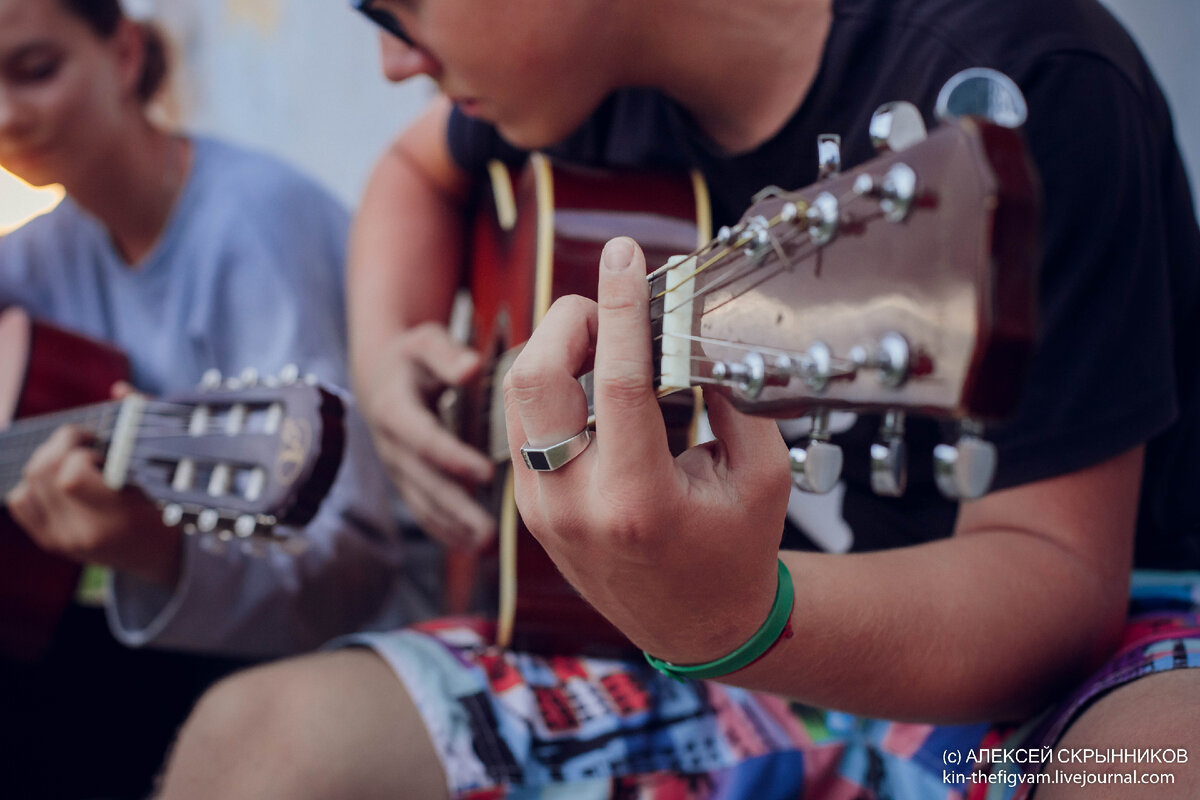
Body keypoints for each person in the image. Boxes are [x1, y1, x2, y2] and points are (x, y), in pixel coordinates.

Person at [156, 0, 1200, 798]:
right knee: (251, 744)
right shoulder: (580, 84)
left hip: (1029, 661)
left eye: (397, 11)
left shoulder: (1019, 79)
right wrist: (386, 363)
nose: (394, 63)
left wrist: (733, 617)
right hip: (709, 647)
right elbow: (411, 172)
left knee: (1162, 766)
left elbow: (1055, 587)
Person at [0, 1, 432, 796]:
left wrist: (159, 554)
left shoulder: (256, 226)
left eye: (35, 71)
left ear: (125, 54)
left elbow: (358, 573)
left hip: (357, 633)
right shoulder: (34, 257)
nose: (6, 113)